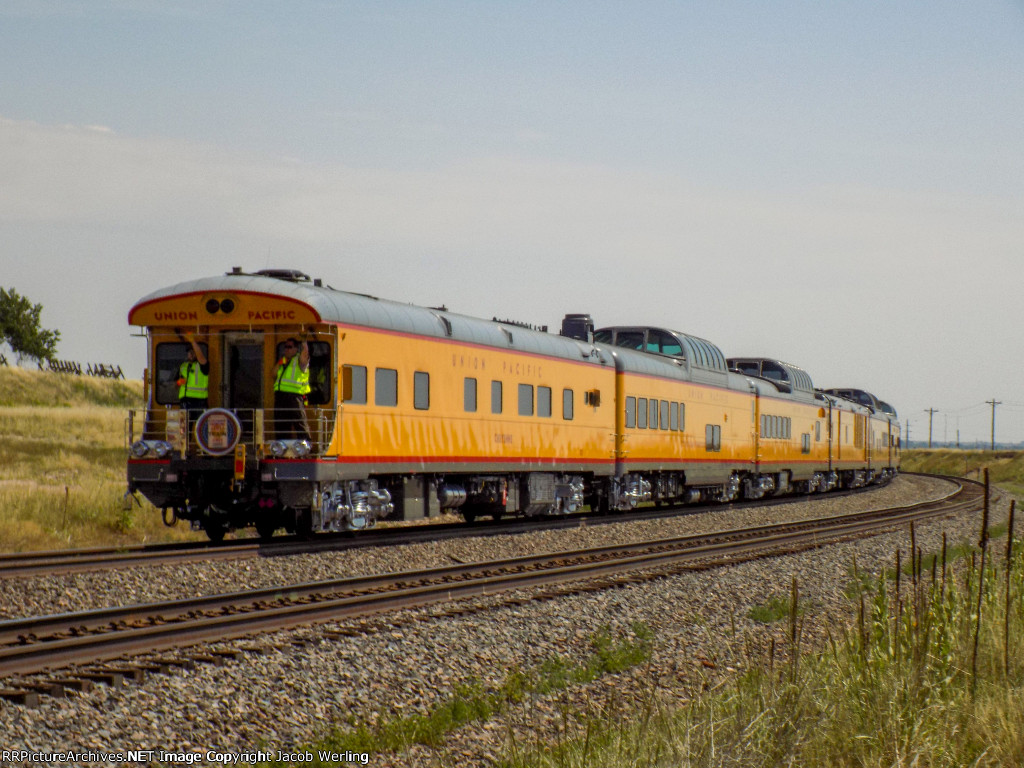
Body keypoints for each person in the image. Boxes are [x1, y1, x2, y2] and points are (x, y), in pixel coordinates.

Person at [273, 337, 311, 441]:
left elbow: (305, 354)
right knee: (281, 424)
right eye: (285, 347)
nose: (287, 349)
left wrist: (304, 342)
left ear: (295, 349)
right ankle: (282, 448)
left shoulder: (299, 361)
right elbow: (274, 373)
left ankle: (306, 446)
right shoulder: (283, 361)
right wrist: (280, 362)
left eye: (289, 347)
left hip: (294, 396)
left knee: (300, 422)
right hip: (280, 396)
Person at [177, 332, 209, 416]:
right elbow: (176, 383)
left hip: (199, 403)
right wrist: (179, 382)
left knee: (200, 426)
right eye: (189, 353)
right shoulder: (183, 366)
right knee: (184, 427)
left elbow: (201, 358)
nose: (191, 354)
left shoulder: (202, 365)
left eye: (193, 352)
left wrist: (193, 342)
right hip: (184, 402)